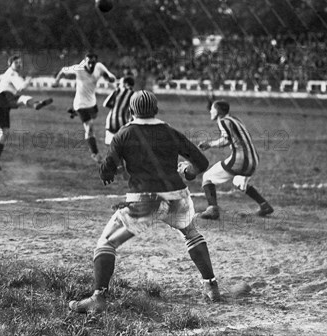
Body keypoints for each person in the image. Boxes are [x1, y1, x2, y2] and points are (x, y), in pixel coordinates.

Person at [68, 90, 221, 314]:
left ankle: (98, 297)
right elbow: (201, 161)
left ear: (131, 111)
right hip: (177, 196)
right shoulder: (170, 132)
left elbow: (106, 171)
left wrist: (111, 170)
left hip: (144, 200)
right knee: (191, 233)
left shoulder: (125, 133)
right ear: (156, 110)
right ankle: (211, 286)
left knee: (106, 243)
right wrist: (188, 172)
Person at [198, 100, 274, 219]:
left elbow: (226, 139)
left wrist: (210, 144)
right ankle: (264, 205)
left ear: (218, 111)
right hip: (253, 159)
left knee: (207, 177)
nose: (210, 111)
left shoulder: (223, 121)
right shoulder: (235, 119)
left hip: (241, 159)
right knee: (238, 182)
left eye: (212, 109)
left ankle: (212, 209)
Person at [0, 55, 53, 171]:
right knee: (22, 98)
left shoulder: (6, 74)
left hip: (0, 104)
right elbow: (21, 87)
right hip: (5, 100)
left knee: (4, 132)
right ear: (10, 64)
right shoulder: (12, 74)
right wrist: (30, 78)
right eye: (16, 63)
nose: (19, 65)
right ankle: (36, 104)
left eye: (20, 63)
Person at [53, 53, 117, 163]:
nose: (91, 65)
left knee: (95, 116)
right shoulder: (78, 69)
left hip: (92, 102)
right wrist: (57, 81)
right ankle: (95, 154)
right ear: (85, 61)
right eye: (89, 62)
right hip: (80, 104)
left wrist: (110, 78)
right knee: (89, 127)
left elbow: (111, 77)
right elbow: (63, 70)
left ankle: (75, 112)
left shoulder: (99, 67)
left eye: (93, 62)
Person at [103, 76, 135, 145]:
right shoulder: (134, 95)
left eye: (120, 83)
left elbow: (105, 104)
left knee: (111, 147)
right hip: (123, 124)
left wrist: (115, 107)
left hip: (110, 123)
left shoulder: (117, 91)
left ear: (125, 84)